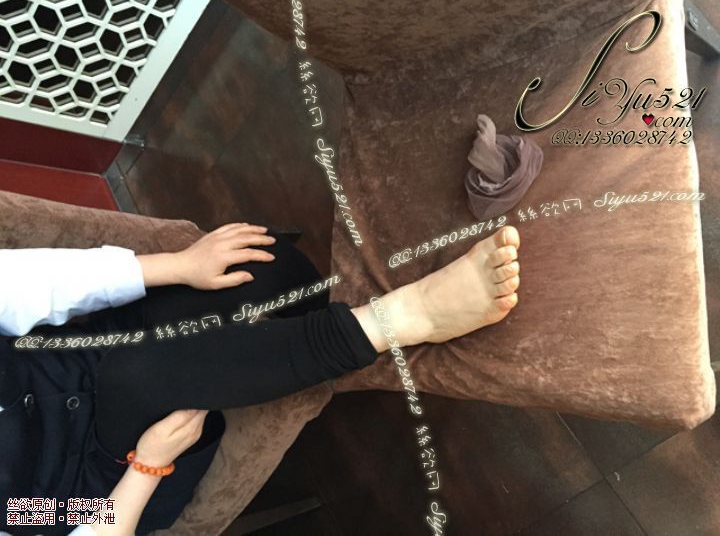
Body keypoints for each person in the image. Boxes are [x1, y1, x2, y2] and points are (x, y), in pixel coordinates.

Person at [0, 221, 521, 535]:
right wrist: (147, 469)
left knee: (262, 263)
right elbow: (40, 516)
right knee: (136, 378)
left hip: (79, 352)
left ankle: (318, 336)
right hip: (100, 482)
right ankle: (405, 318)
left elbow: (17, 286)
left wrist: (180, 265)